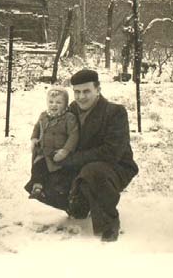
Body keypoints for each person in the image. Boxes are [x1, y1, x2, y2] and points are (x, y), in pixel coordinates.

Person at [32, 69, 139, 242]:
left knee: (93, 172)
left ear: (98, 89)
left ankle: (109, 225)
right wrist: (41, 144)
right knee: (44, 164)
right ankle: (77, 205)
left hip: (115, 167)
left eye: (87, 91)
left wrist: (69, 159)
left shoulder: (115, 112)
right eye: (77, 92)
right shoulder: (71, 110)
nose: (81, 97)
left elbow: (111, 152)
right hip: (81, 164)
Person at [24, 87, 79, 200]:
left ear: (65, 104)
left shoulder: (69, 118)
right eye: (51, 102)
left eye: (58, 102)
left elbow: (74, 135)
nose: (54, 105)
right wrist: (34, 138)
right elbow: (37, 127)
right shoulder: (44, 115)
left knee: (57, 173)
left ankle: (61, 191)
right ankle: (37, 187)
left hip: (58, 152)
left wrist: (65, 150)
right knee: (38, 167)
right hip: (44, 151)